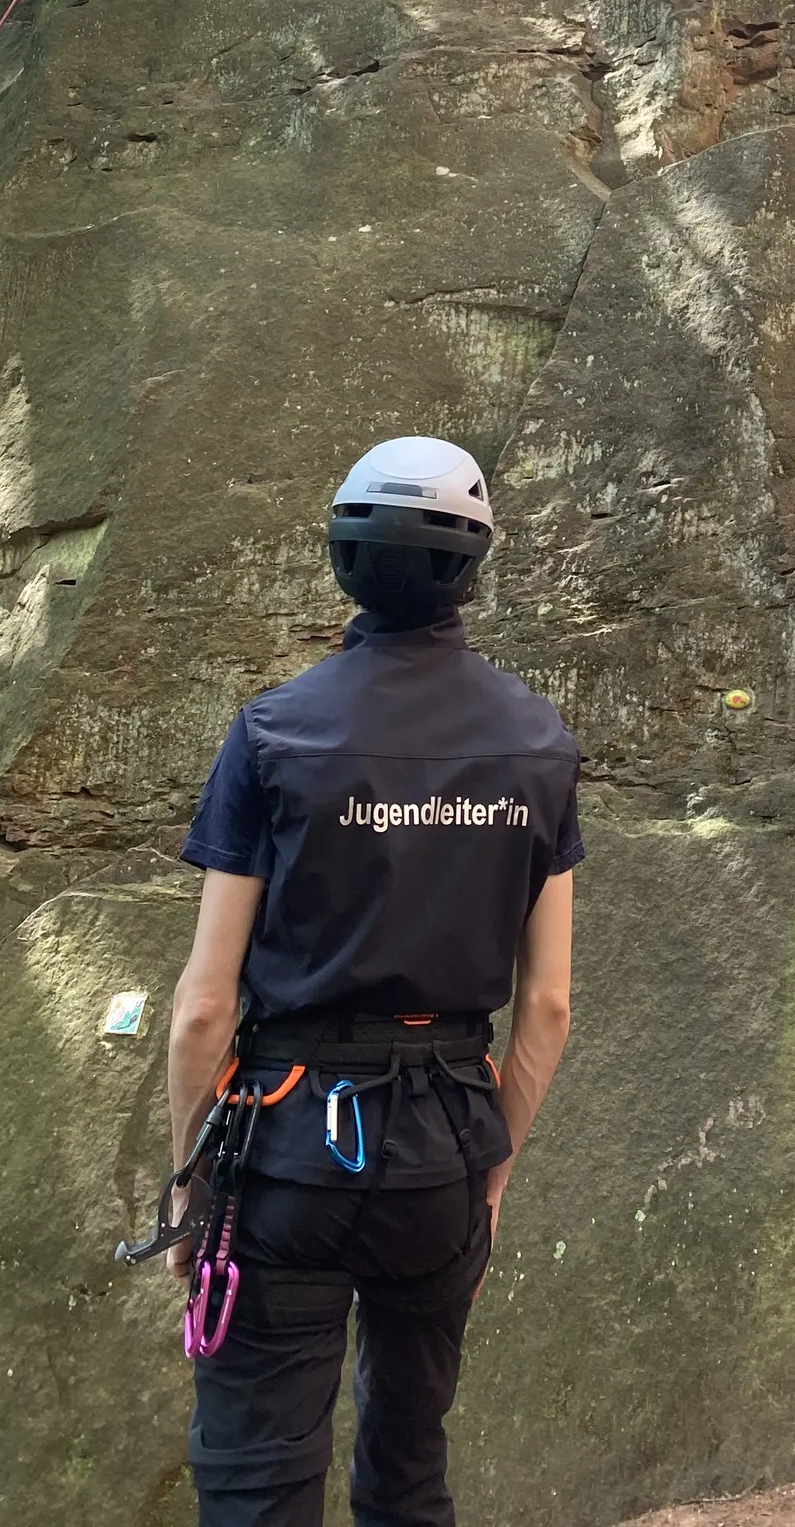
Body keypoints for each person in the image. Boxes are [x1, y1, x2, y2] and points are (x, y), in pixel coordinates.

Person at [159, 434, 583, 1527]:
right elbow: (546, 1005)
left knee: (258, 1474)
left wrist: (191, 1187)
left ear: (342, 556)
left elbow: (206, 1003)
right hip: (443, 1154)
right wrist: (488, 1181)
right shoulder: (539, 745)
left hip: (290, 1151)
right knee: (408, 1468)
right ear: (474, 567)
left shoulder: (273, 734)